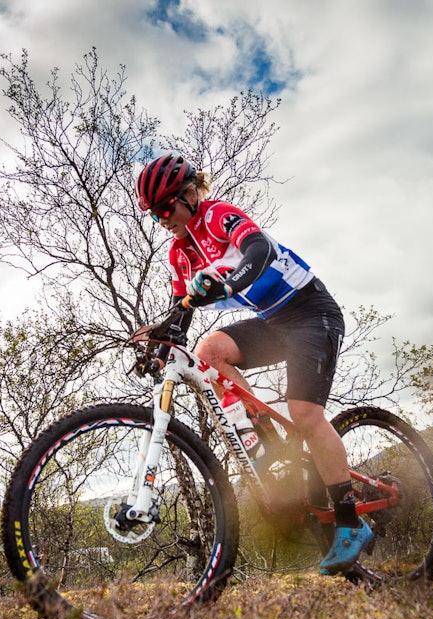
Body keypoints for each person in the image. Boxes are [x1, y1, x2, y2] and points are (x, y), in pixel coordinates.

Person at [134, 153, 369, 574]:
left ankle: (351, 522)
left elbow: (257, 250)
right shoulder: (178, 255)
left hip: (312, 313)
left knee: (305, 413)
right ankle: (265, 438)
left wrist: (227, 282)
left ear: (189, 194)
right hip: (273, 322)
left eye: (166, 208)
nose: (162, 219)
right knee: (209, 352)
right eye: (154, 215)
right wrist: (161, 336)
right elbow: (181, 312)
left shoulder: (217, 215)